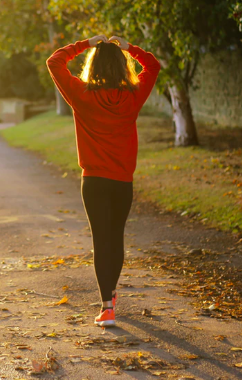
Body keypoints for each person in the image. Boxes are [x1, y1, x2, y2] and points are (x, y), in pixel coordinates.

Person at [46, 34, 161, 327]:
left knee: (101, 240)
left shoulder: (81, 95)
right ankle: (110, 294)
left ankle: (107, 307)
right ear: (123, 67)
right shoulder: (133, 96)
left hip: (94, 181)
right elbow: (153, 65)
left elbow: (55, 62)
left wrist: (85, 44)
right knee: (116, 238)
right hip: (122, 181)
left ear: (93, 67)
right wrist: (129, 48)